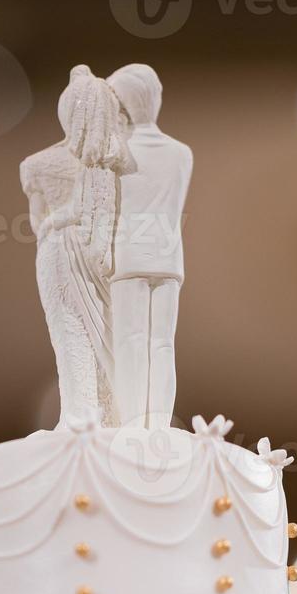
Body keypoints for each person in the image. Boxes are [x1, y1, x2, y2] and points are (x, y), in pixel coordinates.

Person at [20, 66, 133, 428]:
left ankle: (80, 416)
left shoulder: (35, 166)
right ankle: (112, 415)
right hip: (105, 253)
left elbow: (38, 220)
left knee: (68, 331)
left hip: (58, 248)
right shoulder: (118, 162)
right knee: (111, 334)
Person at [107, 63, 193, 430]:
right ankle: (156, 422)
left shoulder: (116, 152)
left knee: (130, 340)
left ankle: (131, 421)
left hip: (128, 254)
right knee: (162, 343)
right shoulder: (180, 152)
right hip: (168, 253)